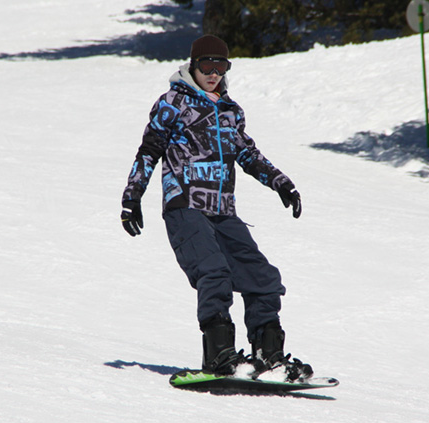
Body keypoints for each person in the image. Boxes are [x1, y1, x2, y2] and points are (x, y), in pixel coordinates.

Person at [120, 35, 311, 381]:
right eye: (206, 65)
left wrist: (282, 183)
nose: (213, 73)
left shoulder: (229, 110)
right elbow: (149, 151)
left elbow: (248, 154)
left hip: (223, 210)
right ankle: (219, 355)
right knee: (214, 271)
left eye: (220, 66)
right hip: (185, 205)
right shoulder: (172, 103)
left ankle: (269, 356)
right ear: (192, 65)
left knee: (263, 279)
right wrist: (132, 198)